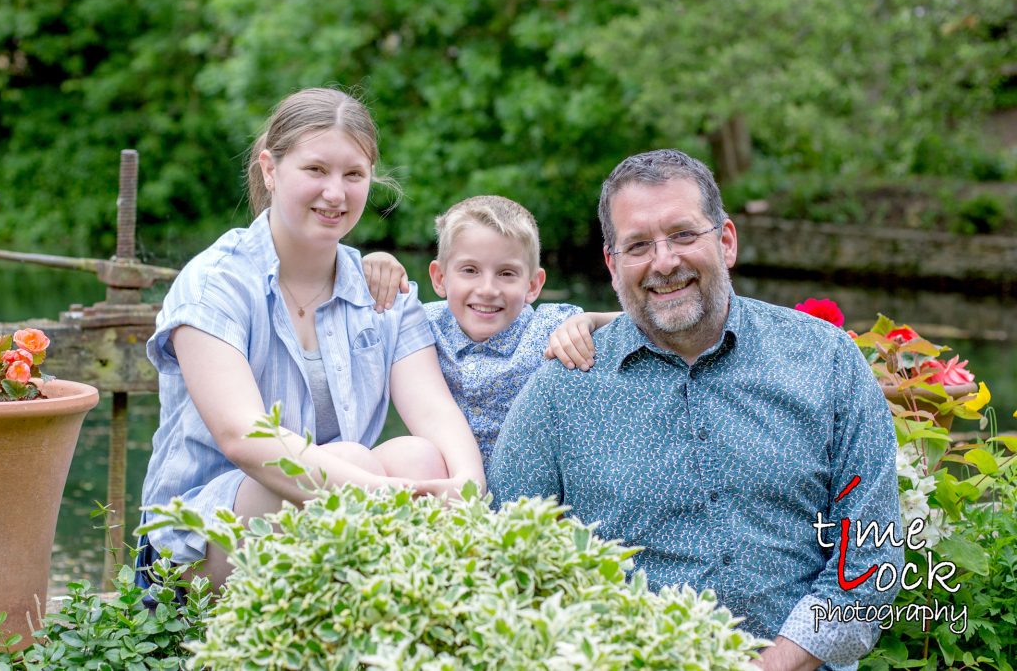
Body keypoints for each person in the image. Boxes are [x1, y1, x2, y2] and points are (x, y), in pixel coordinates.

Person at [488, 149, 904, 671]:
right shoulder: (561, 392)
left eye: (684, 235)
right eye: (639, 245)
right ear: (613, 264)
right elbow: (508, 564)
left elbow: (867, 564)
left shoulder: (827, 362)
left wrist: (768, 668)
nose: (664, 262)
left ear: (725, 241)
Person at [138, 87, 485, 588]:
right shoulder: (216, 283)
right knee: (354, 460)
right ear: (270, 169)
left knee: (419, 456)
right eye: (316, 170)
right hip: (190, 548)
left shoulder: (382, 291)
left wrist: (465, 488)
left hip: (338, 521)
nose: (336, 193)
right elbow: (244, 437)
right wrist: (382, 493)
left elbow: (435, 413)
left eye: (353, 175)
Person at [421, 195, 618, 470]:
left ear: (533, 285)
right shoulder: (422, 323)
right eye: (470, 270)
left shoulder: (551, 327)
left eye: (506, 274)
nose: (488, 289)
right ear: (440, 278)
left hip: (528, 494)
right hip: (448, 489)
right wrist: (379, 263)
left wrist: (591, 320)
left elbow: (641, 323)